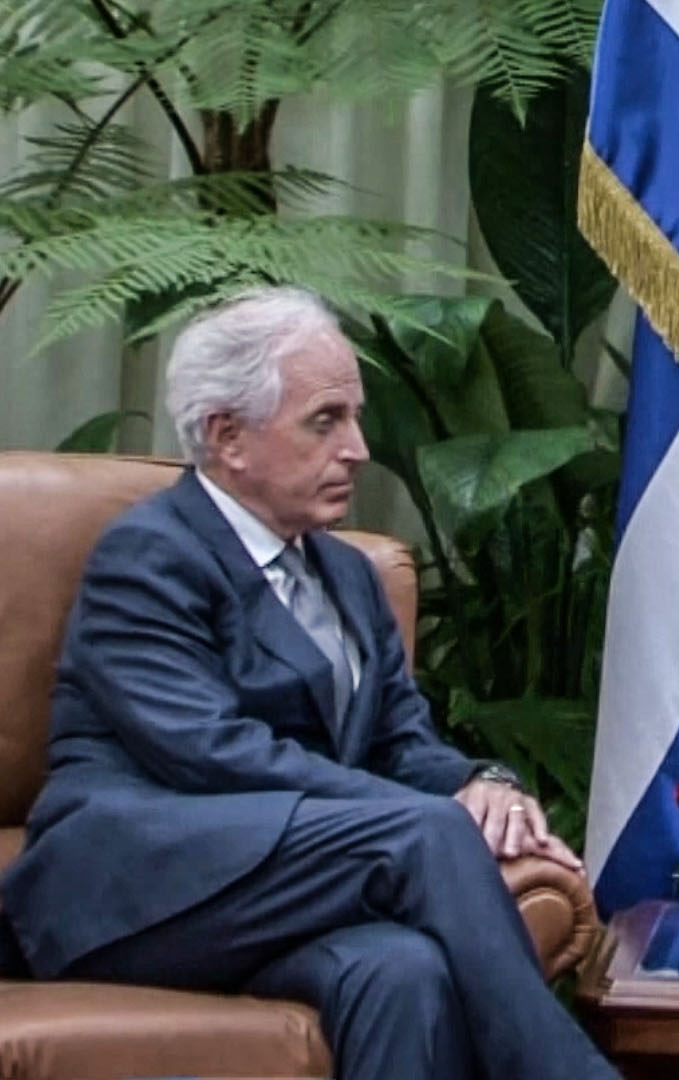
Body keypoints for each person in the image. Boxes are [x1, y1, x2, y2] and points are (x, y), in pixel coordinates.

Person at [0, 287, 620, 1080]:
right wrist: (425, 814)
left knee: (401, 974)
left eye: (355, 417)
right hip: (135, 889)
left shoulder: (348, 574)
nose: (359, 447)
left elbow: (399, 737)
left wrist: (481, 782)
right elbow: (210, 751)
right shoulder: (150, 557)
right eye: (325, 421)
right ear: (229, 437)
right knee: (424, 835)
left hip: (275, 891)